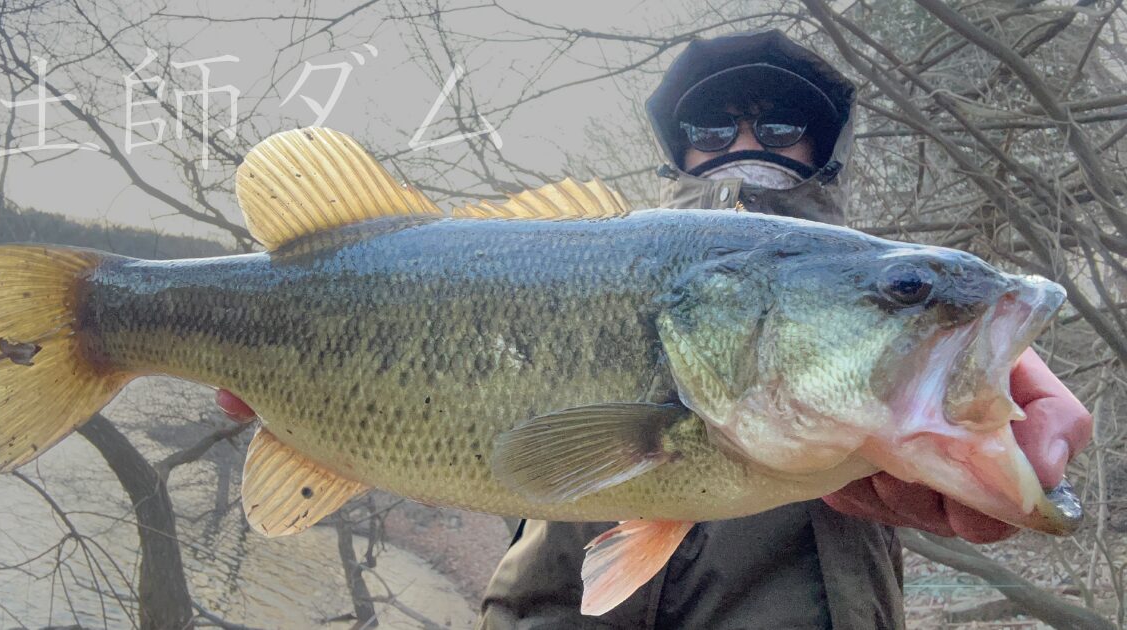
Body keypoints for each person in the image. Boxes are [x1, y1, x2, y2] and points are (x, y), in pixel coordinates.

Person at [216, 29, 1092, 630]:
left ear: (822, 152)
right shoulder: (576, 254)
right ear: (680, 154)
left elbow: (891, 318)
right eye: (711, 126)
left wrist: (979, 398)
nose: (744, 139)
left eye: (782, 124)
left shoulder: (867, 289)